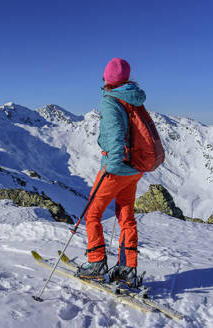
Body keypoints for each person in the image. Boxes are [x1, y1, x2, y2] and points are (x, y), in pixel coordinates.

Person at [76, 57, 145, 286]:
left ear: (108, 79)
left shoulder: (110, 101)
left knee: (92, 214)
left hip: (116, 169)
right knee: (126, 217)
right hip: (135, 168)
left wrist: (111, 168)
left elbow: (115, 138)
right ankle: (127, 268)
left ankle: (96, 263)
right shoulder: (133, 98)